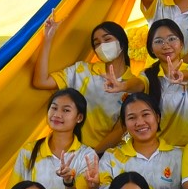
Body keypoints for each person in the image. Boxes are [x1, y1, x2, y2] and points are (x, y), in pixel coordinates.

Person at [33, 17, 144, 151]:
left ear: (122, 43)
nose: (102, 46)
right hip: (68, 149)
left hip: (102, 154)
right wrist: (48, 39)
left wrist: (93, 155)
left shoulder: (133, 85)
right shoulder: (81, 70)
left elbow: (120, 129)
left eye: (107, 39)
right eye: (97, 43)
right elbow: (41, 81)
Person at [96, 94, 183, 189]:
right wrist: (93, 187)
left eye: (145, 115)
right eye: (132, 118)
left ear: (157, 117)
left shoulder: (179, 156)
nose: (140, 122)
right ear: (124, 125)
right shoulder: (111, 157)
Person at [12, 89, 98, 189]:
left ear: (79, 117)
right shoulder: (29, 150)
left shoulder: (87, 155)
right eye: (54, 108)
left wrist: (68, 182)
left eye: (66, 110)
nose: (57, 114)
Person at [141, 18, 188, 147]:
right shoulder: (147, 75)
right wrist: (124, 85)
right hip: (159, 150)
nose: (166, 45)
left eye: (171, 39)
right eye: (159, 41)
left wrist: (181, 75)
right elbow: (137, 84)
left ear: (181, 44)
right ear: (151, 48)